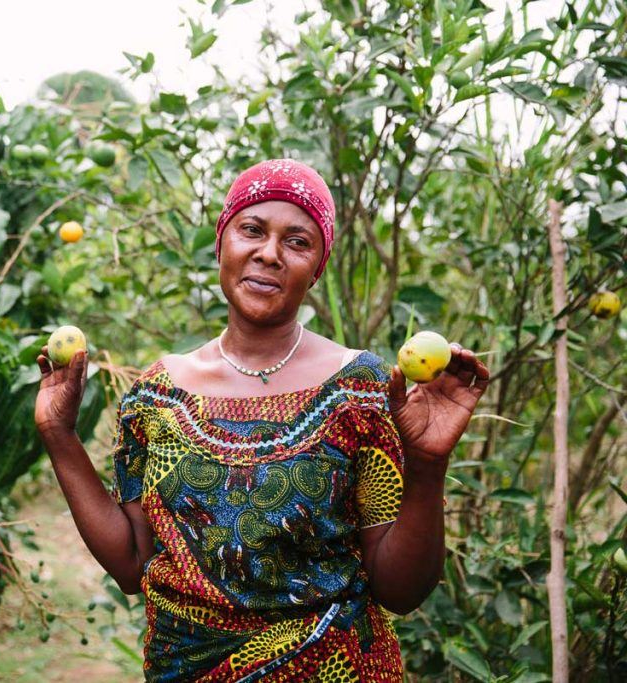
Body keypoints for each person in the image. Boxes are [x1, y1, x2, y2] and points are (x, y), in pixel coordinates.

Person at [34, 159, 490, 681]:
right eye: (252, 230)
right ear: (221, 244)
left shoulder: (361, 388)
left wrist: (428, 464)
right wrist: (58, 434)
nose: (269, 254)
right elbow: (133, 563)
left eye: (297, 242)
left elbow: (402, 592)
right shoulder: (154, 396)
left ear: (316, 267)